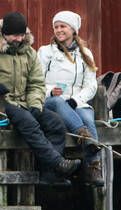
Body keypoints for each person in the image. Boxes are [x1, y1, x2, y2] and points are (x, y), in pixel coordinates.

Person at [0, 11, 81, 180]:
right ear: (4, 33)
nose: (19, 39)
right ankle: (58, 164)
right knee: (28, 122)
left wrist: (35, 105)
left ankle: (49, 176)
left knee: (56, 123)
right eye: (15, 35)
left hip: (24, 103)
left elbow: (36, 83)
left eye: (22, 35)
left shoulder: (29, 53)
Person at [37, 10, 101, 169]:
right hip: (51, 101)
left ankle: (93, 167)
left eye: (63, 26)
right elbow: (35, 81)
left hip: (75, 102)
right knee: (59, 102)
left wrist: (75, 100)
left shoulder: (85, 54)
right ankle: (85, 137)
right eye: (56, 27)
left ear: (73, 29)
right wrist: (50, 90)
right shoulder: (45, 52)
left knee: (87, 118)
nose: (58, 30)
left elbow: (91, 85)